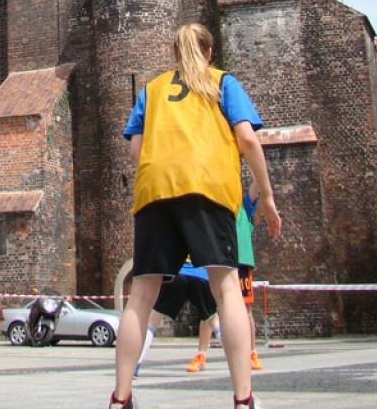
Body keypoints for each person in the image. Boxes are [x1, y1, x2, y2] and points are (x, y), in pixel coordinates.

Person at [111, 23, 281, 409]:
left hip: (155, 191)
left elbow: (135, 151)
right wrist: (266, 195)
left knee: (140, 297)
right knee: (226, 290)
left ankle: (120, 398)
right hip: (207, 188)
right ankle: (242, 398)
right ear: (209, 52)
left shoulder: (151, 90)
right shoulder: (222, 82)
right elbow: (248, 138)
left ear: (174, 54)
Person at [134, 259, 222, 375]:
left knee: (152, 322)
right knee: (213, 320)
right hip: (201, 276)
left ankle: (135, 366)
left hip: (177, 275)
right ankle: (238, 367)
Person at [238, 181, 263, 371]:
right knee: (210, 311)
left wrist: (258, 167)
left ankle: (252, 352)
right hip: (220, 262)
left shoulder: (244, 209)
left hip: (241, 263)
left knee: (247, 311)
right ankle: (201, 353)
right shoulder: (218, 210)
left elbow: (256, 188)